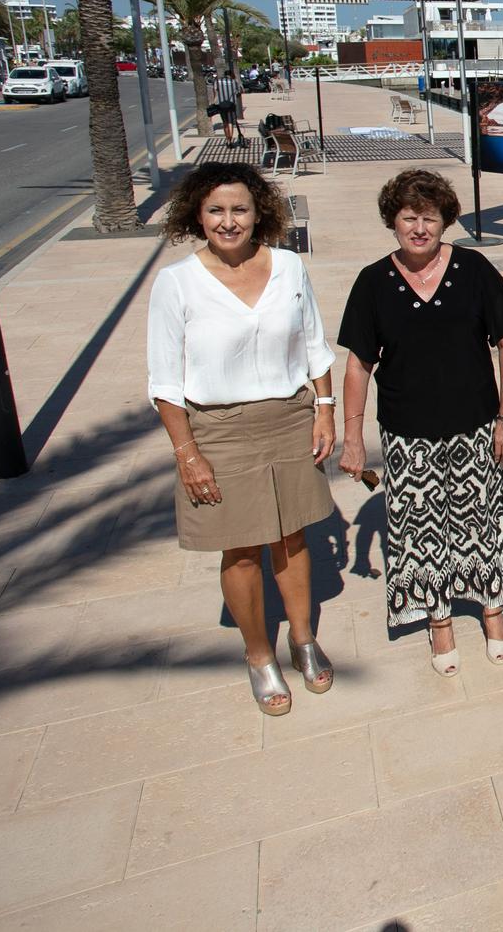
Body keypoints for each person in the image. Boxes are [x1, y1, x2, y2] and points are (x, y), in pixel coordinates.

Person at [146, 163, 338, 715]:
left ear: (260, 214)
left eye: (239, 210)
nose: (228, 222)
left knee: (292, 538)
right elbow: (164, 382)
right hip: (219, 428)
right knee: (241, 548)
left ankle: (302, 639)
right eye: (216, 211)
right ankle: (259, 655)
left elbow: (313, 345)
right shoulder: (177, 282)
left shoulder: (287, 266)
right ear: (197, 216)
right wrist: (188, 454)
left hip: (288, 417)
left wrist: (323, 412)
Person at [337, 169, 503, 677]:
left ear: (445, 221)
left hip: (475, 423)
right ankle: (438, 619)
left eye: (430, 218)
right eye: (409, 217)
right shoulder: (373, 282)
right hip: (405, 430)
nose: (419, 228)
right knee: (418, 530)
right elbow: (357, 364)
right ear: (392, 221)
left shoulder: (475, 270)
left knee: (481, 521)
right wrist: (352, 436)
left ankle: (491, 608)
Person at [212, 67, 244, 147]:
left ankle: (228, 140)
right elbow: (239, 92)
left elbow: (215, 91)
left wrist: (215, 100)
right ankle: (230, 139)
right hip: (231, 104)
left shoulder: (217, 81)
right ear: (231, 75)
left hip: (221, 104)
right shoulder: (234, 82)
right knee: (230, 122)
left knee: (225, 122)